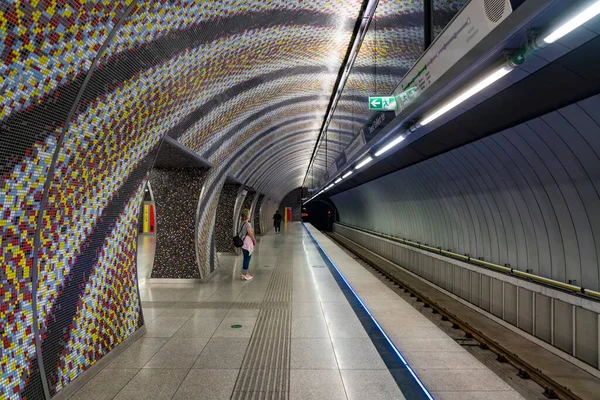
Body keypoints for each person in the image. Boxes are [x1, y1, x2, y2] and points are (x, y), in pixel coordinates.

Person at [239, 209, 256, 281]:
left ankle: (245, 273)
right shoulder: (247, 224)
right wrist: (254, 240)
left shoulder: (242, 223)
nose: (250, 215)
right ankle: (244, 274)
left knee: (245, 258)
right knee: (247, 259)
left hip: (243, 243)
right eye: (249, 214)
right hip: (247, 243)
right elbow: (250, 233)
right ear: (247, 216)